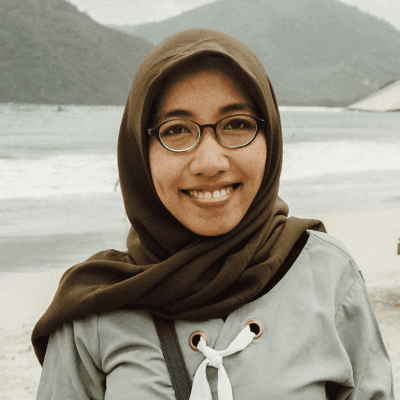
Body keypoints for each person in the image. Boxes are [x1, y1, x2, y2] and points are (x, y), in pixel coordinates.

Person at [33, 28, 394, 399]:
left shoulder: (328, 275)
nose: (209, 163)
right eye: (176, 130)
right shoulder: (94, 307)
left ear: (271, 137)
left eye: (237, 124)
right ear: (139, 151)